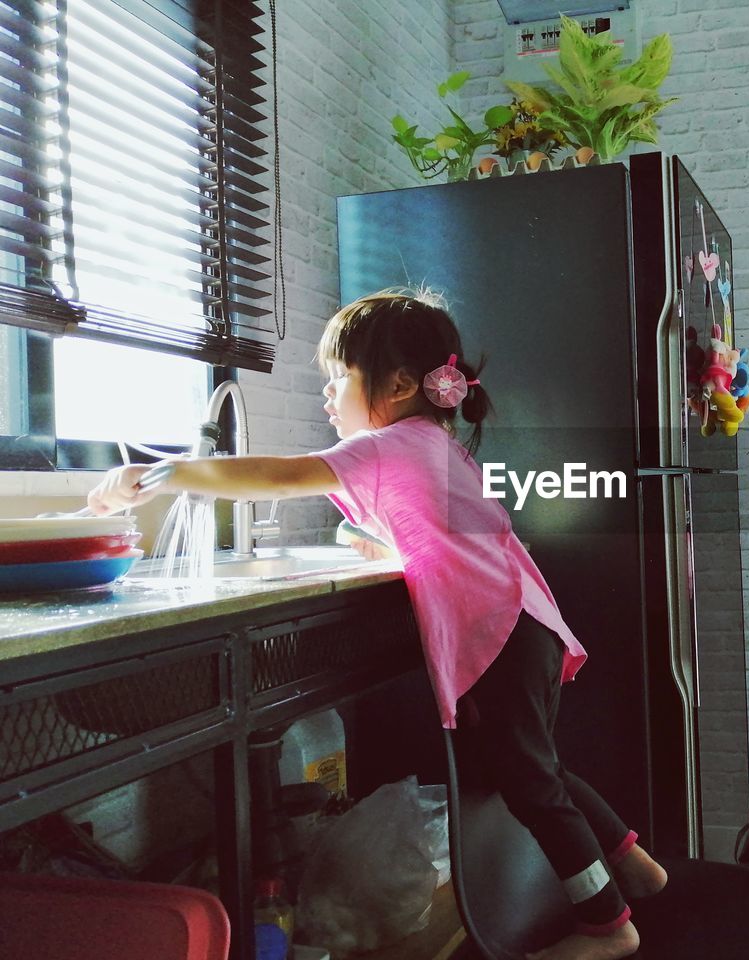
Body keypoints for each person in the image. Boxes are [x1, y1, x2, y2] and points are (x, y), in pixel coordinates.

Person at [88, 288, 667, 960]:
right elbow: (450, 535)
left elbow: (282, 475)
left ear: (394, 385)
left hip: (502, 634)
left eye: (338, 378)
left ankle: (608, 925)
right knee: (538, 767)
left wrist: (167, 472)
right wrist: (386, 548)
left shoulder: (390, 444)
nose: (327, 396)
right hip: (523, 622)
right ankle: (634, 863)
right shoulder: (430, 442)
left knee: (530, 783)